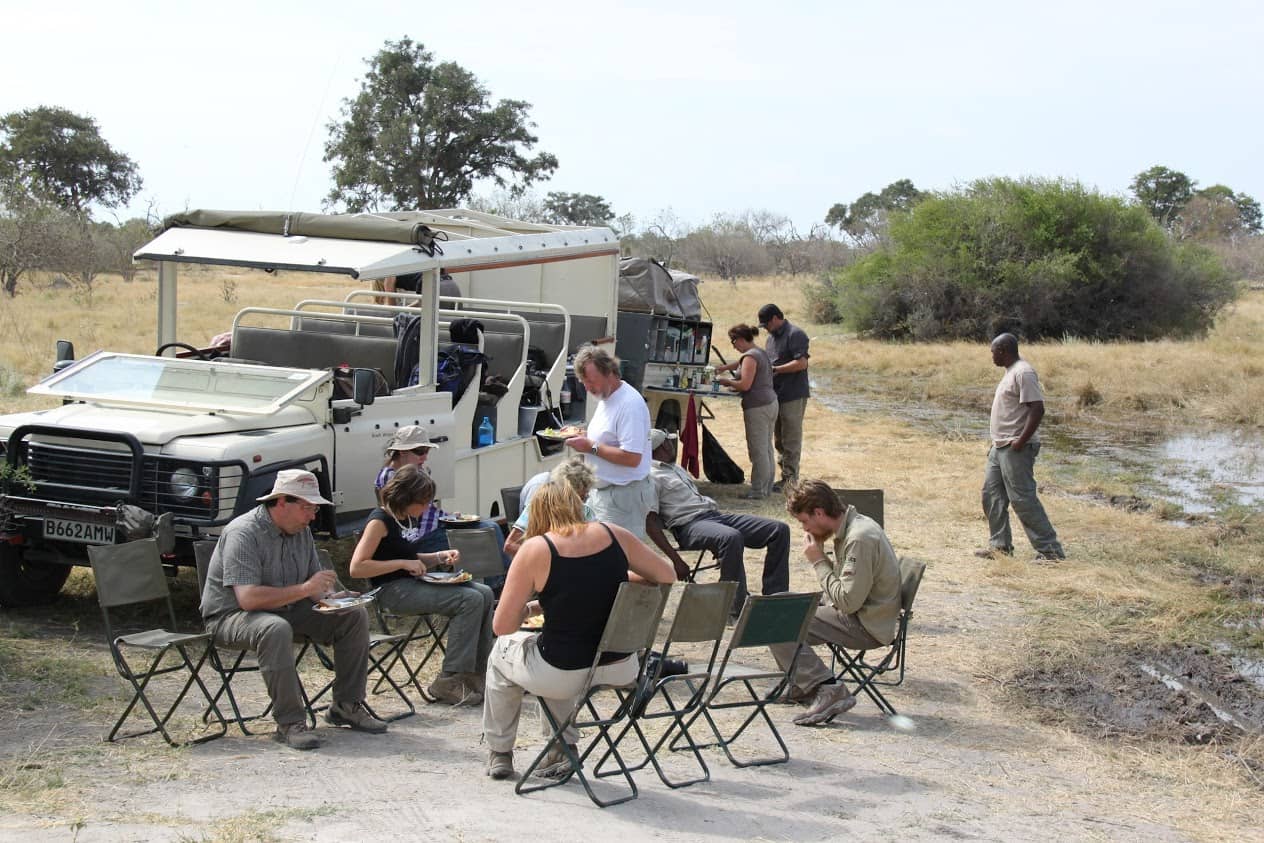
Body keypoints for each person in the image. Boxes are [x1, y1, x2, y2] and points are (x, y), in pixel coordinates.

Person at [481, 481, 676, 780]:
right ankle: (561, 747)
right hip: (620, 666)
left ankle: (501, 751)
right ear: (578, 506)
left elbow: (502, 626)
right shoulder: (614, 533)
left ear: (537, 513)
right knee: (552, 652)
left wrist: (527, 606)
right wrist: (614, 578)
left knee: (504, 655)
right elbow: (666, 574)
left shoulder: (535, 548)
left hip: (562, 673)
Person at [200, 469, 388, 750]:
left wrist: (335, 598)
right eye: (306, 508)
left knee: (353, 615)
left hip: (285, 609)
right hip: (230, 616)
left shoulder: (301, 531)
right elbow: (248, 599)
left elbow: (314, 588)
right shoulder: (244, 532)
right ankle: (289, 722)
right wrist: (305, 590)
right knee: (274, 628)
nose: (312, 516)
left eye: (314, 508)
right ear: (280, 502)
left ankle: (347, 705)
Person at [350, 465, 495, 706]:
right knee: (468, 599)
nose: (427, 508)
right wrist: (403, 563)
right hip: (391, 591)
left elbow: (410, 557)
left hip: (410, 583)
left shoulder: (406, 518)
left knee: (485, 593)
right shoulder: (380, 521)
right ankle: (449, 679)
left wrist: (438, 556)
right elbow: (357, 567)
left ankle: (476, 674)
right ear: (405, 498)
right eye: (423, 502)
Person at [770, 480, 901, 727]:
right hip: (861, 614)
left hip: (865, 626)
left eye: (804, 521)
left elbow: (847, 602)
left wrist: (818, 560)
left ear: (819, 513)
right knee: (777, 604)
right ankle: (802, 685)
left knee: (774, 621)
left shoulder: (858, 538)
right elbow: (843, 594)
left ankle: (826, 688)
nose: (804, 528)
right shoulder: (851, 528)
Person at [644, 429, 790, 619]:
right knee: (730, 537)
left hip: (714, 516)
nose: (673, 445)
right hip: (688, 526)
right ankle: (732, 609)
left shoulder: (674, 468)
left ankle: (774, 598)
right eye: (669, 442)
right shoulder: (650, 476)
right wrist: (676, 560)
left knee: (778, 529)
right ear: (661, 447)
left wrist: (715, 535)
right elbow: (650, 522)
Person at [974, 333, 1065, 561]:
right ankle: (1000, 547)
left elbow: (1037, 409)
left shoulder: (1023, 372)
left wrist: (1021, 441)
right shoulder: (1011, 373)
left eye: (993, 351)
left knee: (1022, 499)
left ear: (1004, 350)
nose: (991, 356)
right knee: (991, 495)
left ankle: (1050, 552)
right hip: (1000, 446)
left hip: (1015, 447)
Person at [563, 345, 653, 538]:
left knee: (620, 558)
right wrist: (583, 435)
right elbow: (609, 438)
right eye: (583, 382)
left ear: (610, 372)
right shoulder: (606, 397)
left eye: (590, 381)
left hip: (623, 496)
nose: (587, 388)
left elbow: (632, 457)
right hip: (603, 493)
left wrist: (591, 446)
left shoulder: (629, 404)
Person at [715, 323, 778, 499]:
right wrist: (727, 368)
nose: (733, 345)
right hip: (770, 403)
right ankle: (766, 488)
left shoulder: (750, 356)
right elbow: (743, 362)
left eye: (733, 341)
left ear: (741, 339)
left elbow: (744, 385)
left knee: (758, 451)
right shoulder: (759, 352)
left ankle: (758, 491)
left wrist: (726, 381)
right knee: (766, 449)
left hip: (758, 406)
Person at [757, 303, 811, 491]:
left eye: (766, 325)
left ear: (775, 318)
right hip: (775, 393)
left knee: (791, 438)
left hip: (793, 393)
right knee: (779, 438)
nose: (766, 329)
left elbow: (801, 363)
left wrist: (775, 369)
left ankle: (791, 480)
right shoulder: (771, 339)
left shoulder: (795, 334)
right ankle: (784, 477)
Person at [502, 459, 596, 559]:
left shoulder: (585, 511)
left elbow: (596, 542)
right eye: (578, 497)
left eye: (584, 497)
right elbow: (510, 545)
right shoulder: (538, 504)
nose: (581, 502)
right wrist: (547, 559)